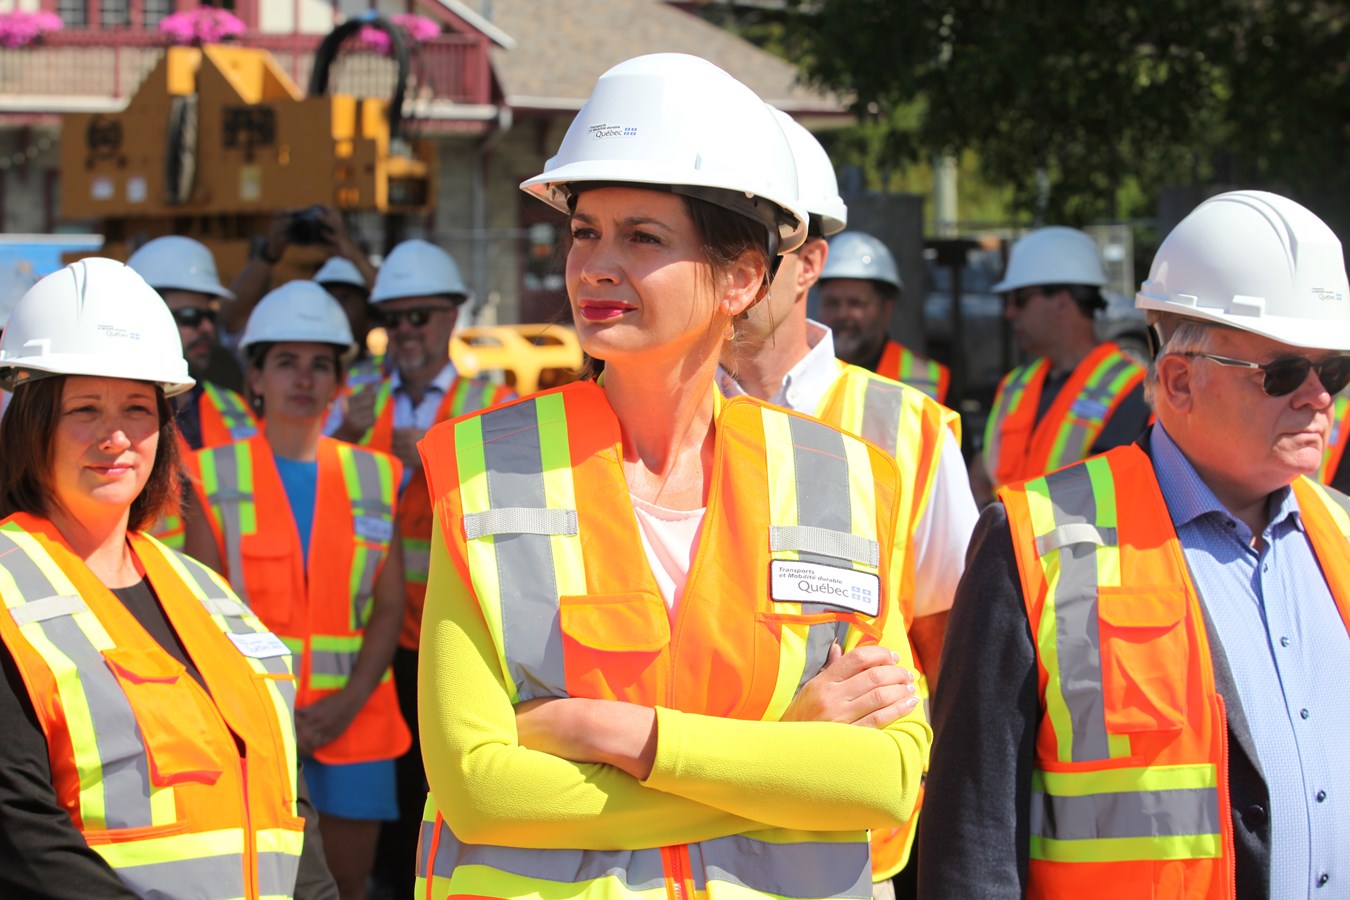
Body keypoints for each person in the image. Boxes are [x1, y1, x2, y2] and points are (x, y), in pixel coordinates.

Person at [414, 52, 929, 900]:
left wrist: (617, 732)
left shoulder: (840, 477)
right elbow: (481, 791)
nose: (594, 266)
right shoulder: (482, 471)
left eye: (641, 237)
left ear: (741, 277)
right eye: (585, 231)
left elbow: (881, 781)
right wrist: (783, 762)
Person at [918, 190, 1350, 899]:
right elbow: (973, 841)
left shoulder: (1341, 535)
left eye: (1332, 371)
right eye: (1283, 374)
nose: (1318, 398)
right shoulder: (1030, 547)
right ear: (1178, 381)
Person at [0, 258, 336, 899]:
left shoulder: (204, 591)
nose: (117, 435)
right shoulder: (6, 589)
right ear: (34, 420)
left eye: (137, 407)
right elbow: (20, 837)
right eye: (85, 409)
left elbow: (282, 796)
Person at [717, 107, 977, 898]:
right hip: (684, 828)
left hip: (852, 841)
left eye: (750, 243)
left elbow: (949, 643)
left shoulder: (907, 429)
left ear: (808, 262)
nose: (728, 268)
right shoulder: (655, 415)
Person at [182, 281, 409, 900]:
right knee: (263, 885)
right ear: (255, 376)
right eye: (285, 361)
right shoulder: (209, 475)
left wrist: (346, 702)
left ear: (339, 381)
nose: (303, 378)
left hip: (356, 720)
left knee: (348, 885)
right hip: (252, 724)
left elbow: (390, 605)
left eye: (319, 365)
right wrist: (271, 713)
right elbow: (203, 611)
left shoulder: (376, 473)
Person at [331, 239, 514, 900]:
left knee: (448, 771)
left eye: (422, 317)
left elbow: (512, 501)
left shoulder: (488, 398)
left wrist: (437, 460)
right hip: (372, 632)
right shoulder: (356, 404)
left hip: (457, 627)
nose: (408, 332)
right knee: (392, 775)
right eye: (396, 319)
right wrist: (346, 440)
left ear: (451, 318)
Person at [975, 226, 1150, 503]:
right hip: (1004, 541)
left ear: (1062, 303)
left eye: (1019, 299)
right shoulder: (1015, 385)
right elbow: (982, 472)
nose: (1009, 313)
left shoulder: (1132, 390)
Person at [126, 236, 259, 452]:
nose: (206, 328)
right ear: (144, 318)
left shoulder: (235, 408)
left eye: (210, 316)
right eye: (190, 316)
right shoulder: (117, 417)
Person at [818, 231, 951, 403]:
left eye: (856, 303)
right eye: (832, 303)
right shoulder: (800, 374)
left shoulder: (928, 380)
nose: (843, 314)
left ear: (886, 309)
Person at [313, 255, 384, 437]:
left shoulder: (386, 371)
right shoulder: (296, 376)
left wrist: (348, 247)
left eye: (345, 299)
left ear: (370, 317)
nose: (334, 307)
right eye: (326, 298)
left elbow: (395, 303)